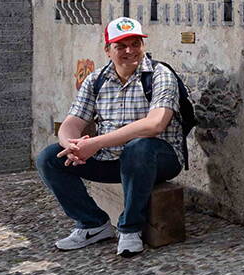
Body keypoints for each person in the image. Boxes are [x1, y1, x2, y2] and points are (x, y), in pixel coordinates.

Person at [36, 17, 184, 258]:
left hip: (158, 159)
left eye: (135, 43)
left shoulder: (159, 74)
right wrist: (71, 144)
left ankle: (130, 228)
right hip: (113, 160)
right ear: (108, 50)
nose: (130, 51)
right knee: (49, 158)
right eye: (121, 46)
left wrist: (95, 143)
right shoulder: (96, 80)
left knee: (139, 147)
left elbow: (155, 124)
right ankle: (93, 224)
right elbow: (72, 122)